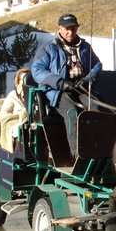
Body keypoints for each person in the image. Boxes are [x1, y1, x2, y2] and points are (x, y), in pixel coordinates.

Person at [31, 13, 102, 158]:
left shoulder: (85, 47)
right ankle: (77, 155)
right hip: (59, 91)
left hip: (81, 87)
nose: (71, 32)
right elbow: (37, 70)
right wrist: (60, 83)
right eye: (67, 29)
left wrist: (87, 80)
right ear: (59, 29)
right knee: (72, 113)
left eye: (74, 29)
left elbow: (97, 65)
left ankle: (98, 149)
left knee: (98, 109)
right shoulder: (48, 48)